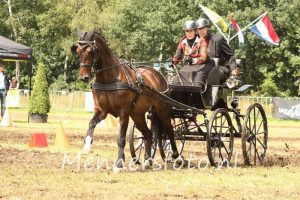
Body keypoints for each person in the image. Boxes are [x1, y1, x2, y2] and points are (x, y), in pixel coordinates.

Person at [195, 18, 239, 83]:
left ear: (207, 28)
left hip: (220, 69)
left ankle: (211, 93)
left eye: (203, 28)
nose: (201, 31)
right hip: (203, 69)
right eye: (199, 29)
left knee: (215, 71)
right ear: (196, 30)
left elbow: (230, 56)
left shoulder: (218, 39)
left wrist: (233, 69)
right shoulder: (196, 43)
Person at [172, 20, 211, 88]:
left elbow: (203, 57)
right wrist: (173, 61)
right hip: (189, 66)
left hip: (201, 66)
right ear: (185, 32)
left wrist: (193, 58)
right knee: (175, 81)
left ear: (195, 31)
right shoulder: (182, 41)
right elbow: (178, 55)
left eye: (191, 31)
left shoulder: (201, 40)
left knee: (197, 82)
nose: (189, 33)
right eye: (187, 31)